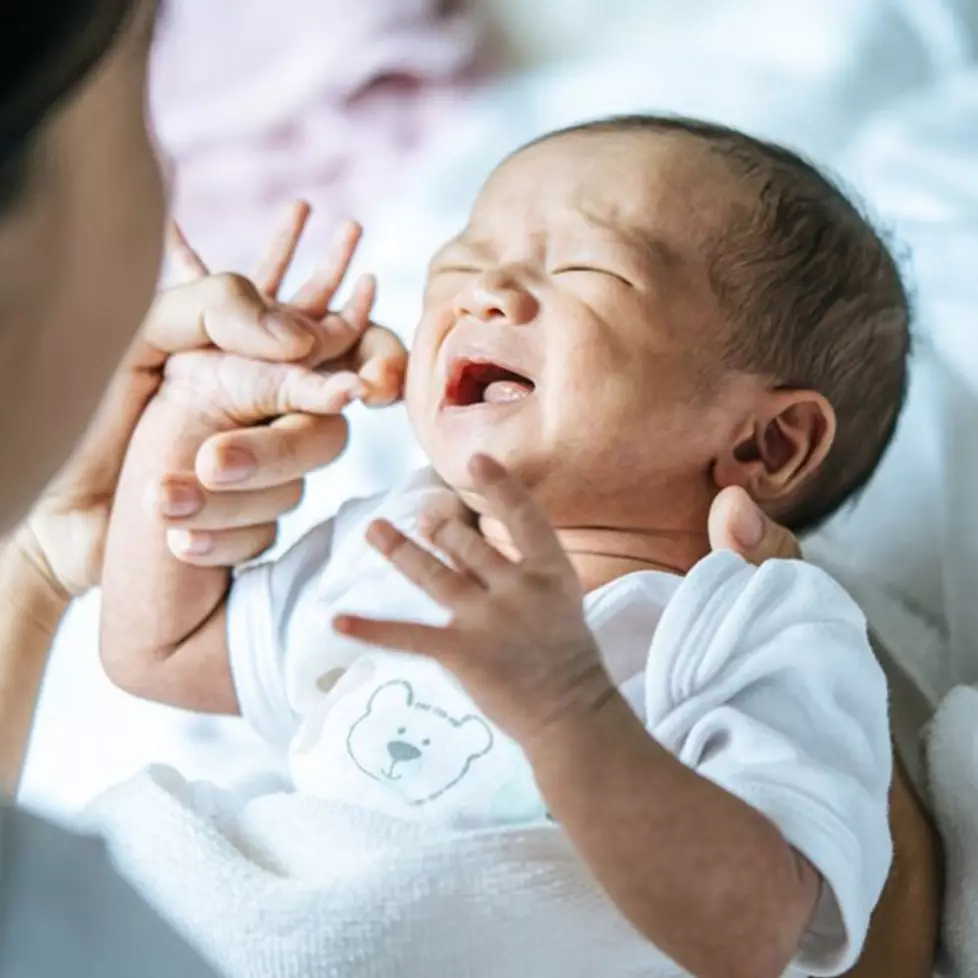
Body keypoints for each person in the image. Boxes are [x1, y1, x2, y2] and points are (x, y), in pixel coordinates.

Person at [0, 2, 937, 977]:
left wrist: (571, 708)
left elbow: (759, 933)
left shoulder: (750, 626)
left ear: (770, 439)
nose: (482, 294)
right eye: (461, 263)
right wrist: (178, 427)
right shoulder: (411, 538)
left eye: (584, 268)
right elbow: (161, 651)